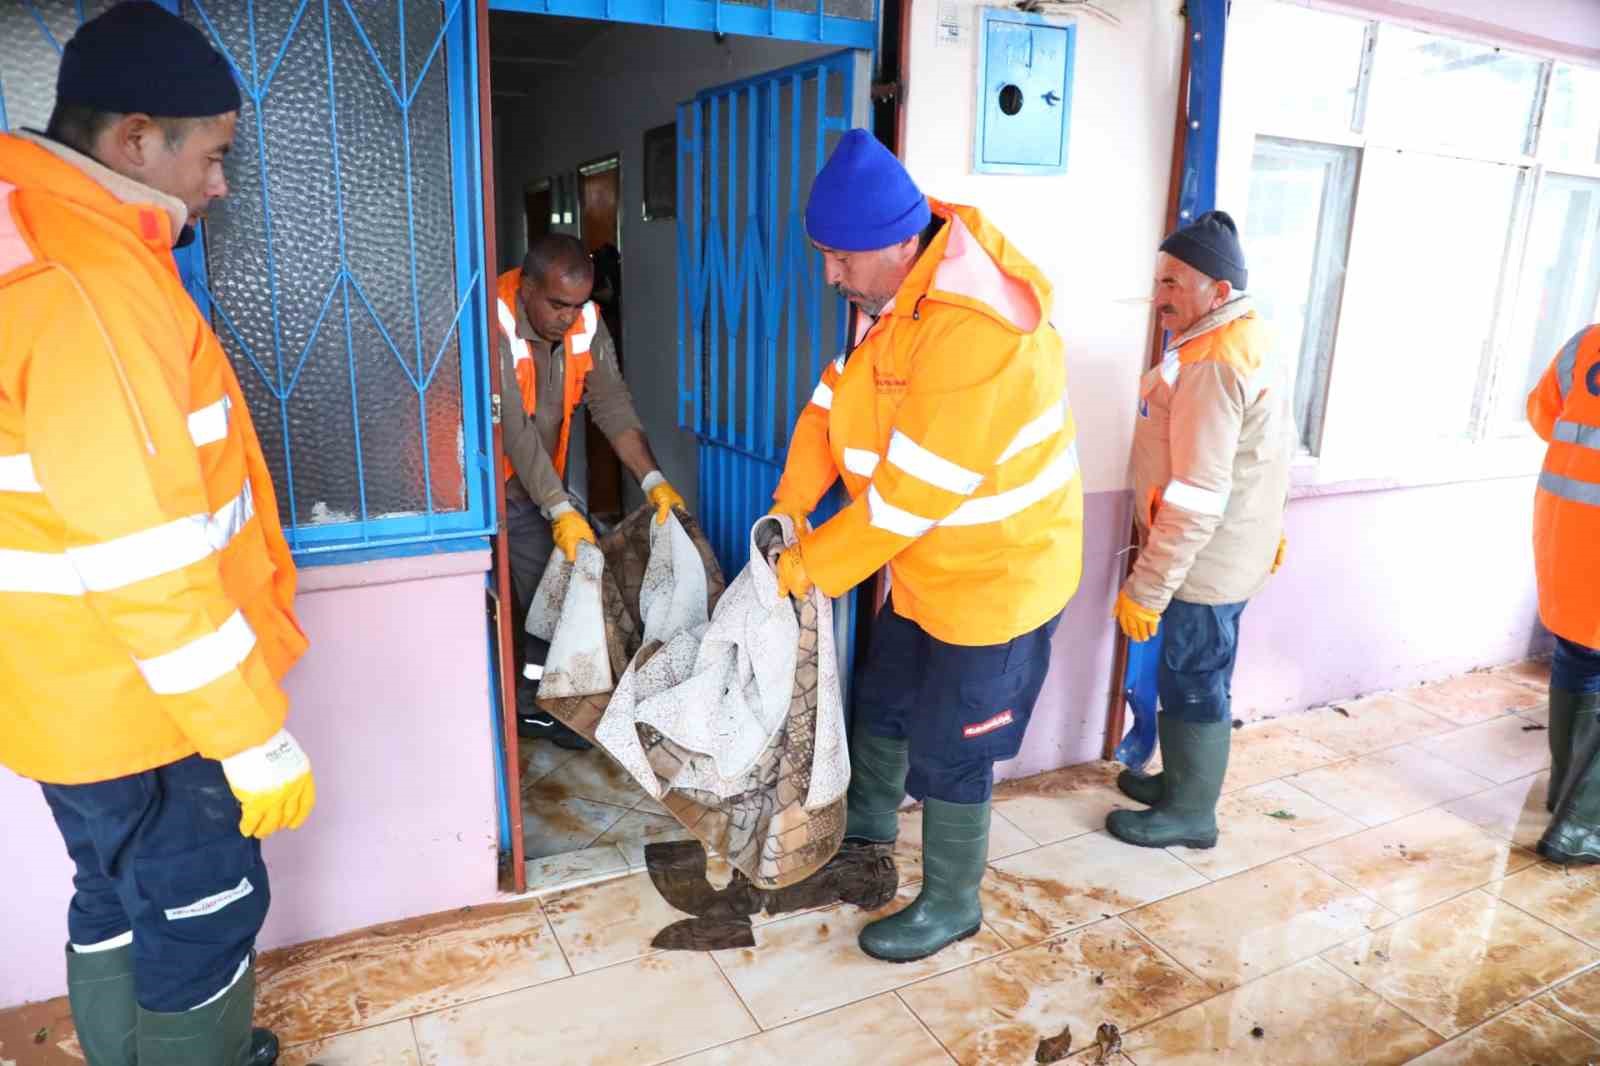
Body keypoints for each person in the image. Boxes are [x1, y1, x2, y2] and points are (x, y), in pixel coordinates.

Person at [0, 5, 315, 1064]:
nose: (223, 183)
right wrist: (245, 731)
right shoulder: (89, 282)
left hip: (63, 699)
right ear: (137, 139)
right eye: (215, 153)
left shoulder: (27, 236)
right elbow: (142, 550)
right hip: (152, 709)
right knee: (204, 917)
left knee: (113, 897)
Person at [768, 129, 1083, 963]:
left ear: (901, 242)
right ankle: (867, 842)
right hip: (924, 576)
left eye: (841, 258)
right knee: (885, 701)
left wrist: (805, 571)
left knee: (954, 748)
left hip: (997, 584)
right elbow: (829, 407)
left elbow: (906, 500)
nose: (831, 275)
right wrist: (791, 505)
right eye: (825, 256)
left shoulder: (975, 331)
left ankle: (951, 904)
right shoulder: (897, 303)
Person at [1107, 210, 1294, 851]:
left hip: (1204, 561)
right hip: (1233, 549)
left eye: (1176, 284)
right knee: (1197, 673)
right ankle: (1181, 783)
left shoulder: (1214, 361)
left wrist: (1149, 587)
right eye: (1159, 281)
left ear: (1218, 292)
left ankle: (1191, 812)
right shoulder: (1241, 336)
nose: (1161, 296)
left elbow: (1197, 495)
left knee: (1193, 678)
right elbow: (1267, 455)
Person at [495, 233, 685, 748]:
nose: (568, 316)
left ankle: (541, 703)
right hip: (480, 482)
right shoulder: (494, 318)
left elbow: (612, 405)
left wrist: (654, 482)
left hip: (535, 481)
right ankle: (528, 705)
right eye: (557, 304)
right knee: (522, 594)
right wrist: (558, 506)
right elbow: (510, 426)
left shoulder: (586, 322)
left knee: (552, 587)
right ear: (527, 286)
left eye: (578, 304)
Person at [1527, 322, 1600, 864]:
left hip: (1570, 531)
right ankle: (1581, 828)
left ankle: (1563, 793)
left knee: (1577, 655)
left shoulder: (1588, 341)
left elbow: (1543, 415)